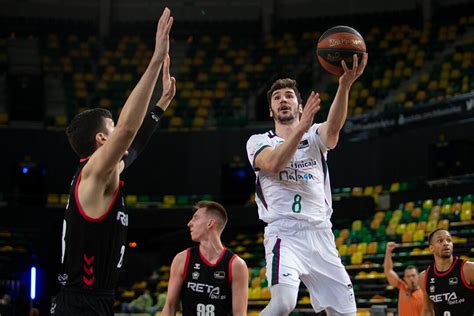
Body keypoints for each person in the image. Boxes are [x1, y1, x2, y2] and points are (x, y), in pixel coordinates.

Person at [51, 8, 175, 316]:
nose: (119, 137)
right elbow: (129, 131)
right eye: (112, 131)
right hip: (80, 303)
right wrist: (156, 59)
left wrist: (159, 107)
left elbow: (133, 147)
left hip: (94, 300)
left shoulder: (104, 174)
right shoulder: (92, 172)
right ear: (102, 141)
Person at [246, 53, 368, 316]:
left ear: (301, 106)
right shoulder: (258, 141)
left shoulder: (313, 135)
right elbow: (275, 163)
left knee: (346, 313)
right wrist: (301, 128)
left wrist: (344, 86)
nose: (283, 100)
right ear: (271, 110)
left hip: (321, 232)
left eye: (289, 96)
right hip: (284, 233)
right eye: (277, 98)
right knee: (282, 304)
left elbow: (333, 129)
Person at [161, 200, 248, 316]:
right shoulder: (182, 259)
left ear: (210, 223)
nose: (189, 223)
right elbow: (170, 307)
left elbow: (240, 314)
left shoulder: (236, 265)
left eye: (195, 218)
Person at [418, 228, 474, 315]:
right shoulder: (424, 276)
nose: (446, 243)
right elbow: (427, 310)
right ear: (431, 248)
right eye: (440, 240)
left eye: (449, 240)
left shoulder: (468, 269)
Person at [384, 241, 423, 315]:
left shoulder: (424, 293)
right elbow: (388, 271)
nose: (411, 278)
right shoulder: (402, 287)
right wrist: (388, 251)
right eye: (408, 276)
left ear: (418, 276)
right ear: (404, 278)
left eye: (413, 275)